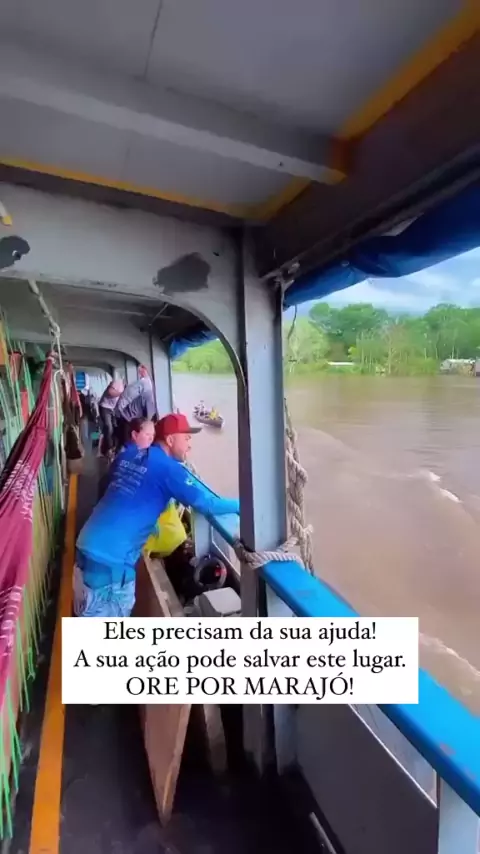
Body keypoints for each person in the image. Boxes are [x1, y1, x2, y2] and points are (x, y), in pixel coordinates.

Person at [74, 412, 239, 617]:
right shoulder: (170, 470)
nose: (190, 444)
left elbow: (110, 488)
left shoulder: (127, 455)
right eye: (186, 437)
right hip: (111, 563)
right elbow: (207, 504)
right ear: (170, 440)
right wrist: (241, 506)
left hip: (86, 543)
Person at [114, 366, 156, 448]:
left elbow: (126, 396)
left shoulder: (144, 383)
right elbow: (126, 397)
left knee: (126, 443)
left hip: (129, 417)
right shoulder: (145, 383)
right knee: (127, 443)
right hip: (129, 418)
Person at [98, 378, 123, 458]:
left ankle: (112, 447)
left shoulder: (125, 389)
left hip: (112, 409)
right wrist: (120, 394)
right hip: (105, 407)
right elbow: (110, 391)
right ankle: (109, 448)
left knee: (114, 428)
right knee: (109, 428)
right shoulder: (118, 382)